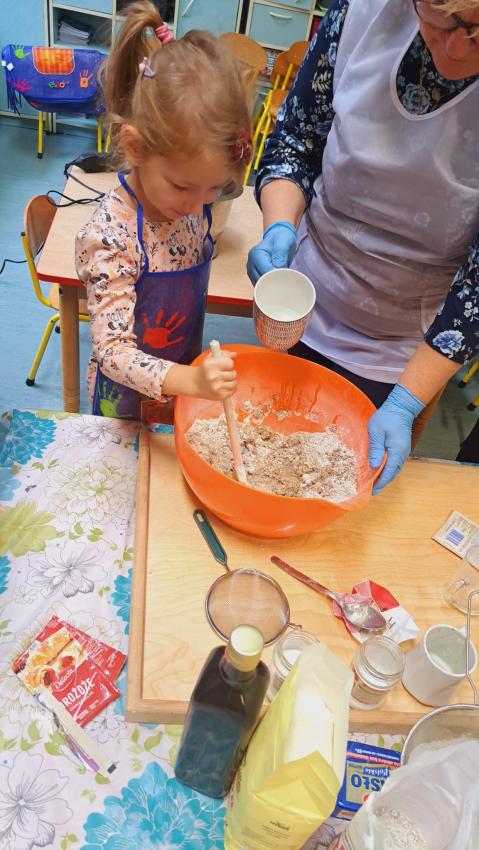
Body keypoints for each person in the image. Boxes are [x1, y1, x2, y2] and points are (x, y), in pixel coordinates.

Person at [248, 0, 479, 491]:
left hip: (406, 345)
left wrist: (405, 403)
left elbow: (475, 291)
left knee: (345, 482)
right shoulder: (361, 11)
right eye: (442, 20)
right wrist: (279, 226)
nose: (458, 46)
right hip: (306, 297)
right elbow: (295, 141)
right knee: (267, 447)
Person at [76, 1, 252, 421]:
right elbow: (112, 351)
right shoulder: (111, 236)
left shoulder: (190, 208)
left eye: (214, 189)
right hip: (123, 406)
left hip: (178, 390)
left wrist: (192, 382)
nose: (197, 205)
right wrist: (191, 381)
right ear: (135, 148)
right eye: (182, 186)